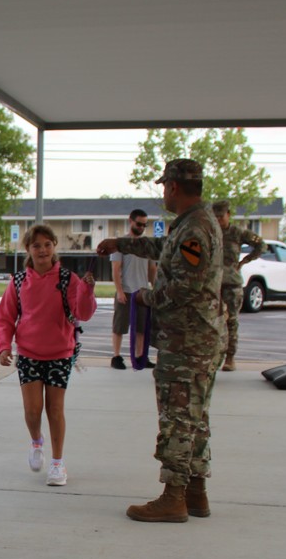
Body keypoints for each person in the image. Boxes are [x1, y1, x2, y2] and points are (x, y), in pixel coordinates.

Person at [96, 159, 225, 522]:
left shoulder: (196, 228)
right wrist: (120, 243)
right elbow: (162, 249)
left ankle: (174, 497)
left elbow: (184, 287)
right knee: (195, 418)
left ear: (172, 187)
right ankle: (196, 492)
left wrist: (144, 298)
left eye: (164, 187)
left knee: (178, 419)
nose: (163, 193)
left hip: (187, 343)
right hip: (197, 340)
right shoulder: (194, 224)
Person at [0, 224, 97, 486]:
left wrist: (86, 291)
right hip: (29, 353)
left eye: (47, 244)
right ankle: (36, 441)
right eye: (36, 245)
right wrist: (4, 345)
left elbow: (83, 313)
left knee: (55, 409)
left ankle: (57, 463)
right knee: (32, 410)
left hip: (60, 354)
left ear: (54, 247)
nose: (42, 250)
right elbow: (6, 318)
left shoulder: (67, 279)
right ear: (28, 249)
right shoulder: (19, 282)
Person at [212, 199, 265, 371]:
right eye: (216, 217)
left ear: (228, 215)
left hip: (231, 283)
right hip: (212, 283)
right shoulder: (210, 232)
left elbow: (260, 245)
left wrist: (244, 261)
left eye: (221, 217)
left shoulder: (237, 232)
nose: (219, 220)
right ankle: (213, 358)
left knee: (231, 321)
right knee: (211, 322)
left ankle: (230, 357)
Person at [110, 209, 157, 369]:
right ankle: (116, 356)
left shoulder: (147, 245)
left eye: (145, 225)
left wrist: (154, 287)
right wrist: (120, 291)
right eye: (139, 224)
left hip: (142, 291)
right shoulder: (121, 243)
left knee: (141, 327)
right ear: (130, 221)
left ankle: (140, 356)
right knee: (120, 325)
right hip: (126, 290)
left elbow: (152, 269)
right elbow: (116, 269)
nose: (142, 227)